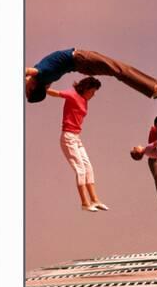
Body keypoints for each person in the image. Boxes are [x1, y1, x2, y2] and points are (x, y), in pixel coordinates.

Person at [46, 76, 109, 212]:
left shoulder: (85, 101)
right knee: (80, 169)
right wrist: (40, 87)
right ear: (86, 89)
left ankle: (95, 200)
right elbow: (55, 93)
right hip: (68, 137)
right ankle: (85, 203)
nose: (94, 95)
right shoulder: (73, 95)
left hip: (76, 137)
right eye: (92, 91)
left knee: (88, 167)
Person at [25, 48, 157, 103]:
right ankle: (155, 87)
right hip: (81, 59)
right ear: (32, 87)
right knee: (119, 68)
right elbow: (27, 72)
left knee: (117, 70)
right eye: (26, 89)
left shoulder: (45, 80)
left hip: (81, 63)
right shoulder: (41, 73)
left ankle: (153, 87)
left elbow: (43, 90)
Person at [130, 141, 157, 212]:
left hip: (156, 160)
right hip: (154, 161)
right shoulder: (147, 149)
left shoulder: (147, 149)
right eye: (136, 148)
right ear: (139, 151)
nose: (137, 146)